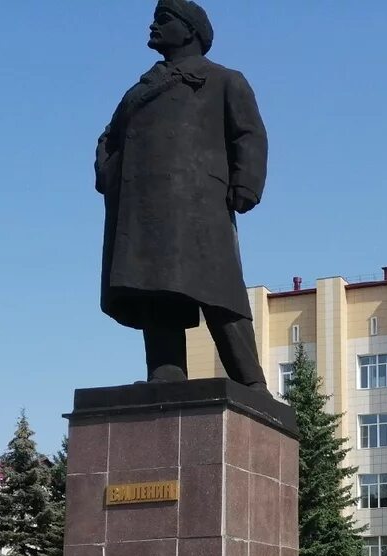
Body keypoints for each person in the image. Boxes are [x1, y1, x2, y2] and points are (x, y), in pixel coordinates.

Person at [96, 1, 271, 390]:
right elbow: (110, 136)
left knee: (220, 292)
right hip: (144, 206)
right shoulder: (138, 91)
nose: (152, 27)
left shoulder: (224, 80)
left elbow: (249, 133)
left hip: (199, 203)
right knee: (155, 285)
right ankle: (166, 371)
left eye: (163, 20)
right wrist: (109, 173)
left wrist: (246, 182)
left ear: (190, 30)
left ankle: (251, 382)